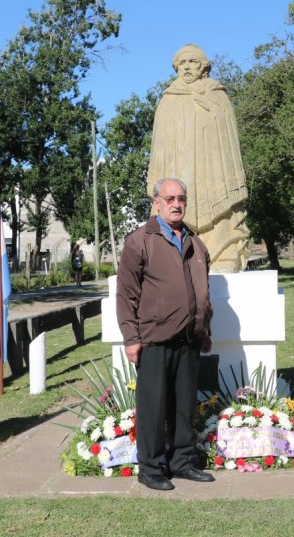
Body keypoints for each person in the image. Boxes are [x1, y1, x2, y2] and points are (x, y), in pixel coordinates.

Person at [116, 177, 214, 491]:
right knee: (154, 408)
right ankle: (151, 467)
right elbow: (126, 295)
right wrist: (131, 337)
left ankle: (182, 462)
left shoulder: (196, 243)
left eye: (181, 198)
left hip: (189, 339)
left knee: (184, 407)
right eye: (169, 198)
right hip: (155, 340)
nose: (176, 204)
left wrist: (205, 328)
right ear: (156, 202)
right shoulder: (140, 240)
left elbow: (203, 291)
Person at [147, 44, 249, 273]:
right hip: (178, 166)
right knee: (175, 201)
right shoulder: (168, 99)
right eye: (181, 63)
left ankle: (223, 252)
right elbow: (161, 144)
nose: (186, 67)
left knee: (218, 203)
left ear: (203, 66)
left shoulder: (217, 95)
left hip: (212, 167)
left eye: (192, 62)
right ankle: (172, 253)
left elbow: (227, 137)